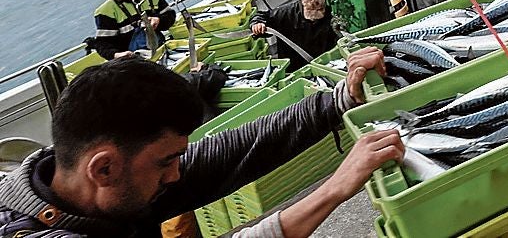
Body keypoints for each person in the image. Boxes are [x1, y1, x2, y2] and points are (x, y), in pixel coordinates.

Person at [0, 48, 402, 238]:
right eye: (165, 162)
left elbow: (235, 150)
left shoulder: (86, 178)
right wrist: (333, 189)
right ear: (102, 168)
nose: (176, 174)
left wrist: (341, 100)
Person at [250, 0, 339, 68]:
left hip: (327, 62)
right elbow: (262, 16)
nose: (322, 13)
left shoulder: (330, 13)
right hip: (294, 65)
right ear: (306, 7)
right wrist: (257, 24)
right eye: (318, 10)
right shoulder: (286, 13)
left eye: (323, 9)